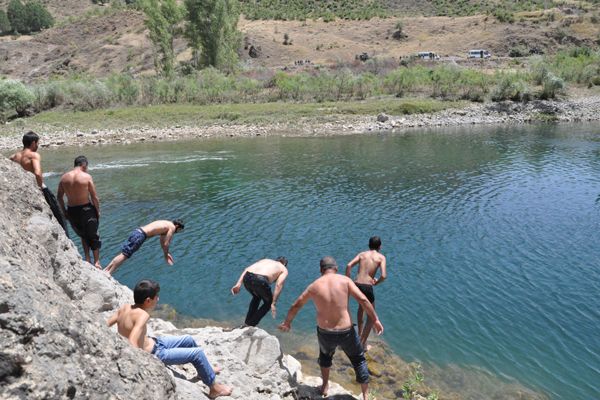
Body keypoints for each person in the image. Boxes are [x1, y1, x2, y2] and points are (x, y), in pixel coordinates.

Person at [278, 256, 384, 400]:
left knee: (325, 358)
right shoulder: (345, 281)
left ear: (321, 270)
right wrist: (375, 319)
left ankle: (325, 386)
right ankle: (365, 395)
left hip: (325, 332)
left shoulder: (314, 285)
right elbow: (363, 300)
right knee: (358, 360)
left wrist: (287, 323)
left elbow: (296, 305)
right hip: (347, 331)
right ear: (336, 268)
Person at [107, 279, 232, 399]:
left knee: (188, 339)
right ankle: (214, 389)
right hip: (157, 354)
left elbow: (106, 324)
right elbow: (132, 342)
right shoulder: (142, 315)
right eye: (157, 297)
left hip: (155, 342)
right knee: (197, 354)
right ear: (148, 301)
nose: (158, 299)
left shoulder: (125, 307)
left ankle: (204, 371)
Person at [9, 131, 69, 236]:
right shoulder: (33, 155)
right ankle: (66, 237)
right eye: (37, 143)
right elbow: (37, 173)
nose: (38, 146)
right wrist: (40, 188)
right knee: (59, 215)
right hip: (37, 187)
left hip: (22, 187)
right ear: (33, 143)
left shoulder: (14, 157)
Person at [57, 156, 101, 268]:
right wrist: (97, 210)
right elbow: (94, 197)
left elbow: (59, 198)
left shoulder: (64, 178)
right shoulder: (86, 177)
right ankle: (97, 262)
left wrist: (64, 212)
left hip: (72, 211)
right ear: (84, 165)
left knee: (83, 235)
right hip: (86, 209)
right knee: (94, 234)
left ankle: (87, 258)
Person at [345, 236, 387, 350]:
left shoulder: (362, 254)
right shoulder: (381, 257)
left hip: (356, 285)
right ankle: (362, 344)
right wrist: (376, 282)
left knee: (361, 307)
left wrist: (348, 282)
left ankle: (359, 335)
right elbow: (383, 275)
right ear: (380, 246)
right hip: (367, 287)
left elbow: (348, 266)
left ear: (369, 245)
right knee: (371, 316)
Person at [104, 220, 185, 275]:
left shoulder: (166, 223)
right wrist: (166, 255)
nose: (177, 232)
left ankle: (106, 270)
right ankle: (109, 272)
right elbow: (166, 243)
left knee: (123, 253)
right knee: (125, 255)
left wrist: (166, 254)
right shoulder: (172, 227)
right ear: (177, 225)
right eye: (179, 230)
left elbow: (162, 241)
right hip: (140, 236)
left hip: (137, 232)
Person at [230, 257, 289, 327]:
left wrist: (238, 284)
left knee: (256, 297)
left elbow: (246, 269)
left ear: (276, 260)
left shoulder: (265, 260)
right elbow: (279, 285)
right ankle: (250, 324)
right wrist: (273, 303)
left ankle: (247, 323)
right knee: (268, 303)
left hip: (247, 277)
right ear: (284, 264)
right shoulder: (283, 268)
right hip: (260, 280)